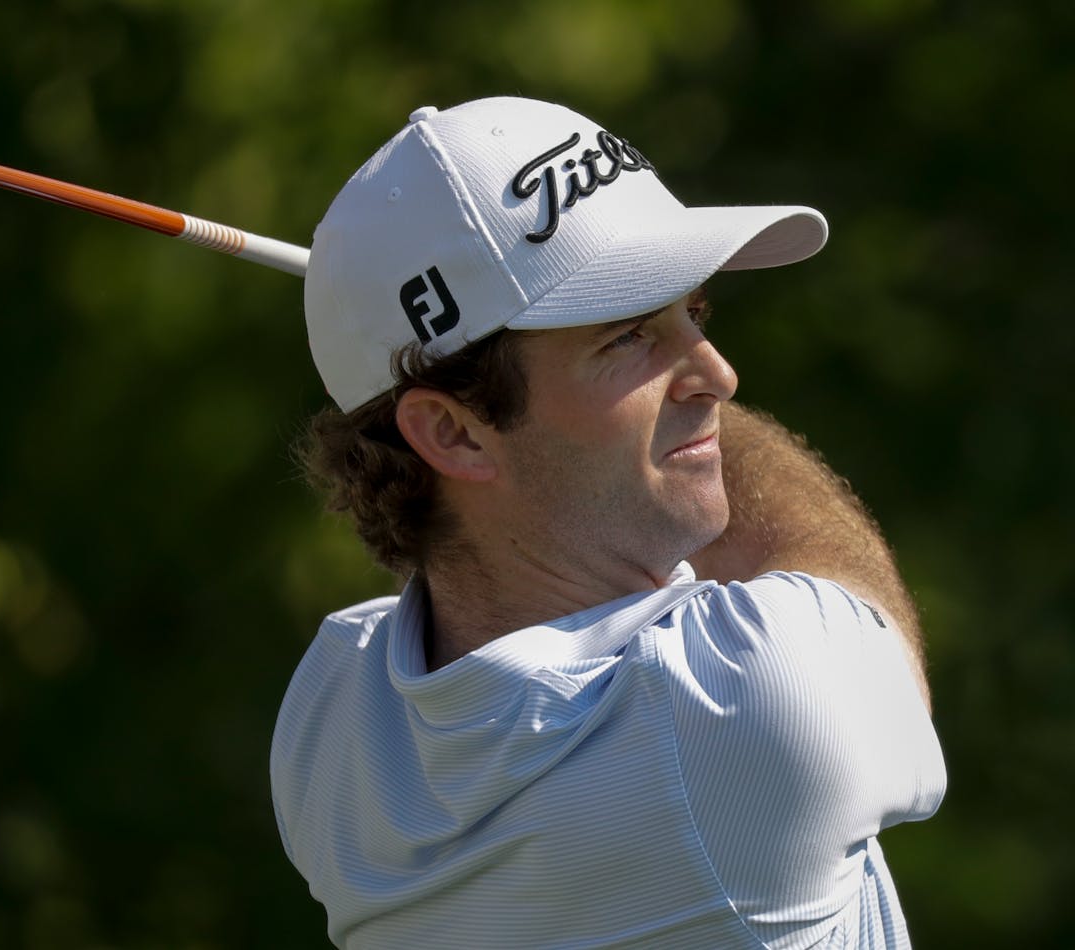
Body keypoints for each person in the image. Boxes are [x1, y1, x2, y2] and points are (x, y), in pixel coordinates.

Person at [270, 97, 945, 949]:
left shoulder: (334, 724)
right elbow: (863, 612)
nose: (720, 375)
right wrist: (695, 426)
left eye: (691, 315)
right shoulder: (739, 706)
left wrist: (637, 382)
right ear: (452, 431)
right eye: (628, 335)